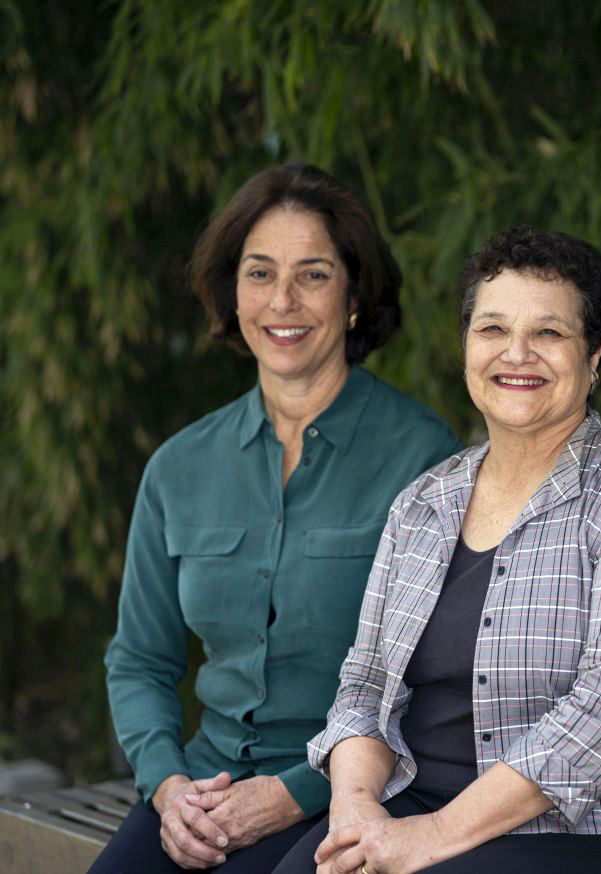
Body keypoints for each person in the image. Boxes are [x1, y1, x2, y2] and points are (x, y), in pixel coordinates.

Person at [269, 226, 601, 873]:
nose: (517, 354)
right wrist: (354, 810)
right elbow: (366, 682)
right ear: (465, 348)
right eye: (492, 330)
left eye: (549, 333)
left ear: (594, 354)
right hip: (424, 801)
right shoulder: (423, 503)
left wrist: (430, 837)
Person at [93, 163, 463, 873]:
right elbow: (140, 659)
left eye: (314, 275)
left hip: (349, 797)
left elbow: (430, 685)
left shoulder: (424, 458)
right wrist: (168, 789)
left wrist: (297, 791)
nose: (283, 301)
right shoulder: (178, 466)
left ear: (355, 296)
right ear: (232, 295)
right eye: (259, 274)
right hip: (203, 789)